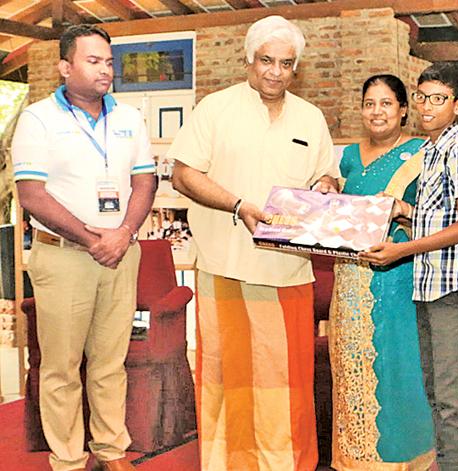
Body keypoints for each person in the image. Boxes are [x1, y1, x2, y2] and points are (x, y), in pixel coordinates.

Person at [166, 15, 338, 471]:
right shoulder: (215, 109)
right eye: (266, 61)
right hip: (226, 267)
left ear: (295, 67)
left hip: (289, 271)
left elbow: (326, 174)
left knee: (289, 384)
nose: (275, 72)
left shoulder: (310, 117)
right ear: (249, 58)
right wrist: (237, 203)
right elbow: (183, 175)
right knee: (229, 382)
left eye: (285, 63)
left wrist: (323, 186)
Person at [11, 24, 156, 471]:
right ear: (64, 66)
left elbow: (145, 180)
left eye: (109, 62)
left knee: (111, 363)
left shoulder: (130, 118)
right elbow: (31, 195)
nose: (105, 71)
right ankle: (69, 460)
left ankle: (111, 452)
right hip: (64, 258)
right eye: (93, 61)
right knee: (61, 368)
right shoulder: (38, 119)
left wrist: (124, 233)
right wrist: (94, 239)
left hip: (120, 253)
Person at [360, 63, 458, 471]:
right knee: (433, 392)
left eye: (439, 99)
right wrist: (403, 212)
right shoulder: (429, 151)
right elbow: (437, 219)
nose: (427, 107)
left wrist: (403, 249)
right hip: (427, 283)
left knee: (452, 400)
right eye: (421, 97)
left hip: (451, 288)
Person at [329, 74, 434, 470]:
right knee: (352, 368)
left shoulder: (421, 153)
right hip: (349, 279)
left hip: (396, 278)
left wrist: (404, 210)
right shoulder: (350, 157)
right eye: (370, 103)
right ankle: (355, 459)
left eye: (386, 103)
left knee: (397, 369)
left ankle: (403, 459)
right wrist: (325, 188)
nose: (377, 111)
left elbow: (438, 219)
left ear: (404, 109)